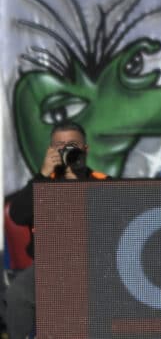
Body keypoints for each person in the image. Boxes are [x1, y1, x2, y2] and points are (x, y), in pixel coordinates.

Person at [4, 121, 109, 339]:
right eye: (59, 146)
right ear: (51, 151)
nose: (66, 150)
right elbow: (16, 215)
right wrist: (41, 175)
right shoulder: (42, 184)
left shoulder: (103, 183)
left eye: (72, 145)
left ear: (85, 149)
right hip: (49, 267)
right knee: (17, 295)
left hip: (95, 266)